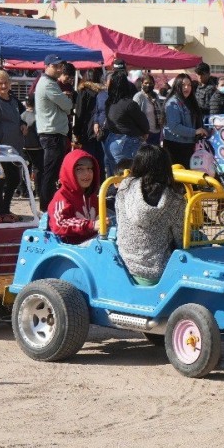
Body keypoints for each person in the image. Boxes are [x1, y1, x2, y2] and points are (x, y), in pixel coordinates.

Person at [115, 145, 185, 285]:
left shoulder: (124, 186)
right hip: (158, 272)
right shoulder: (175, 199)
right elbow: (181, 239)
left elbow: (119, 221)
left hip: (124, 263)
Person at [96, 60, 149, 177]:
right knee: (129, 177)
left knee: (115, 177)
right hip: (126, 141)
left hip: (111, 140)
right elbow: (144, 123)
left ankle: (112, 195)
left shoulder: (109, 102)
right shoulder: (129, 104)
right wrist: (143, 133)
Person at [35, 54, 73, 211]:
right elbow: (68, 105)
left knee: (51, 173)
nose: (58, 69)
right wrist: (65, 101)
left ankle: (47, 206)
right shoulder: (49, 84)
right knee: (50, 175)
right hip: (52, 135)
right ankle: (46, 208)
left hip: (53, 134)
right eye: (55, 66)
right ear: (47, 66)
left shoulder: (49, 83)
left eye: (60, 67)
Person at [0, 70, 27, 214]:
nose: (3, 86)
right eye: (0, 83)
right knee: (0, 179)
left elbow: (21, 115)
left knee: (15, 179)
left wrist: (23, 123)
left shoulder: (14, 99)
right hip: (1, 147)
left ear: (10, 84)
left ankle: (5, 207)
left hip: (15, 146)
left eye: (6, 83)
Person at [48, 149, 100, 244]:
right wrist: (90, 225)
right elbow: (59, 224)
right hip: (71, 247)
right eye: (80, 169)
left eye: (90, 169)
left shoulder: (91, 195)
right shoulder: (62, 196)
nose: (87, 173)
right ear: (69, 172)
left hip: (93, 243)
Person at [162, 73, 208, 168]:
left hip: (188, 145)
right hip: (175, 146)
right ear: (177, 86)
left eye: (189, 85)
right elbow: (174, 127)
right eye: (183, 85)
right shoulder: (173, 103)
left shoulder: (189, 101)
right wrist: (195, 132)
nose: (187, 87)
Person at [72, 68, 105, 175]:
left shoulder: (84, 91)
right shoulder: (103, 92)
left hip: (87, 131)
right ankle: (101, 185)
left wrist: (76, 131)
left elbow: (80, 113)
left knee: (88, 161)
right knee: (100, 161)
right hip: (102, 129)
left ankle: (89, 187)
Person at [20, 98, 43, 198]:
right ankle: (38, 191)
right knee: (37, 169)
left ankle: (24, 191)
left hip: (24, 146)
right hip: (37, 146)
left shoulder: (21, 116)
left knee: (24, 169)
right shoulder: (38, 115)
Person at [133, 74, 165, 146]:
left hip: (157, 132)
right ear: (142, 84)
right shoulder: (139, 96)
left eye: (150, 83)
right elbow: (134, 115)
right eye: (146, 83)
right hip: (145, 133)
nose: (148, 85)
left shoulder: (155, 95)